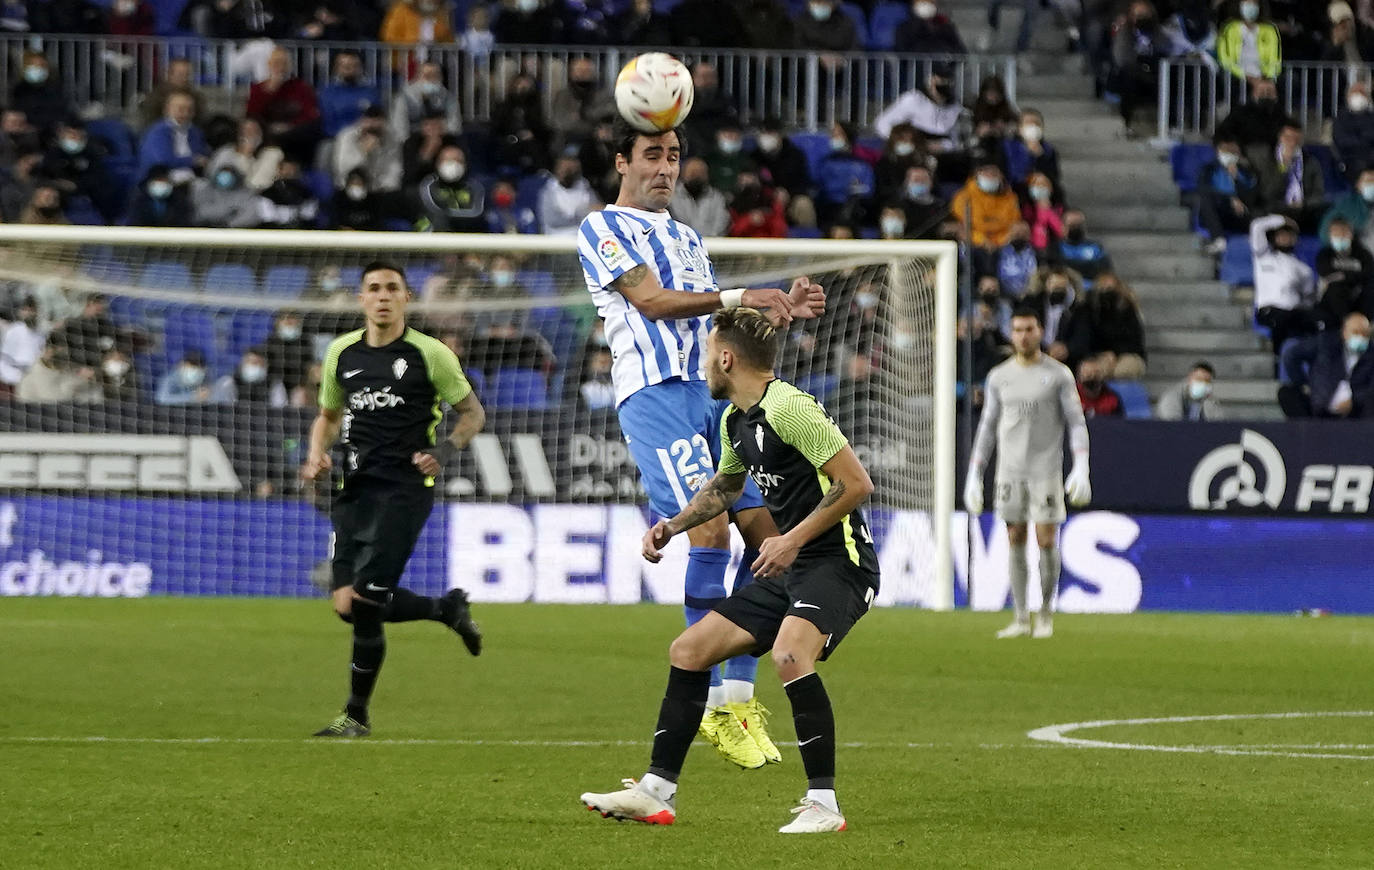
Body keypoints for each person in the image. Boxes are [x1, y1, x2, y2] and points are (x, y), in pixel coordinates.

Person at [576, 121, 826, 770]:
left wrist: (773, 314)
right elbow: (654, 303)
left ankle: (734, 700)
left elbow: (711, 317)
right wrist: (745, 293)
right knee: (709, 529)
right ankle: (711, 695)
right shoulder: (602, 227)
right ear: (622, 162)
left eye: (675, 156)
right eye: (652, 155)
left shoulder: (687, 237)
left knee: (769, 538)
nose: (665, 167)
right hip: (655, 394)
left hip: (711, 396)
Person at [580, 306, 877, 834]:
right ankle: (655, 793)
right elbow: (726, 488)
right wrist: (672, 526)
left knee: (789, 653)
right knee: (689, 650)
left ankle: (824, 806)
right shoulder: (733, 419)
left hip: (840, 562)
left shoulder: (790, 408)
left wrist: (789, 540)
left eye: (706, 354)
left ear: (725, 357)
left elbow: (855, 484)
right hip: (791, 564)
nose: (703, 365)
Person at [301, 261, 486, 738]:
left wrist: (443, 451)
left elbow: (472, 414)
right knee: (345, 603)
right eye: (373, 289)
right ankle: (445, 609)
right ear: (361, 299)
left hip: (404, 492)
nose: (383, 296)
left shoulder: (431, 354)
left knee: (365, 602)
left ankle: (355, 717)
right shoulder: (341, 353)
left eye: (392, 289)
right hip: (354, 488)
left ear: (407, 299)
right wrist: (315, 455)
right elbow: (327, 415)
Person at [964, 307, 1091, 639]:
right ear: (1011, 332)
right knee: (1014, 538)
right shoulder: (999, 376)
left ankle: (1046, 614)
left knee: (1046, 539)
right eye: (1018, 329)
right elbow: (988, 427)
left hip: (1045, 471)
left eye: (1029, 329)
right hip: (1009, 473)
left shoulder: (1059, 375)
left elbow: (1077, 422)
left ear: (1039, 331)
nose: (1023, 335)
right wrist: (975, 474)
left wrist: (1081, 466)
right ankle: (1021, 617)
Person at [1252, 213, 1319, 355]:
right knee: (1281, 320)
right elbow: (1257, 226)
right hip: (1268, 310)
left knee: (1316, 321)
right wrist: (1283, 220)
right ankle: (1275, 358)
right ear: (1275, 238)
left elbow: (1308, 298)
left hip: (1293, 311)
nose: (1285, 238)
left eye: (1289, 235)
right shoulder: (1263, 256)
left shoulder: (1303, 269)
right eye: (1281, 234)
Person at [1197, 136, 1262, 254]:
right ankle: (1218, 240)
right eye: (1226, 150)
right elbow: (1204, 189)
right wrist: (1230, 199)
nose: (1229, 154)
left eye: (1233, 151)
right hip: (1220, 210)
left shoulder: (1246, 171)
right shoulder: (1209, 170)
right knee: (1206, 199)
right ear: (1218, 151)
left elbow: (1253, 194)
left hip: (1242, 212)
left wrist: (1236, 178)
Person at [1258, 122, 1325, 233]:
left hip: (1303, 210)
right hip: (1276, 209)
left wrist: (1304, 203)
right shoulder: (1267, 159)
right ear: (1280, 137)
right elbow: (1267, 193)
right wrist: (1284, 165)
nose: (1292, 142)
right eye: (1288, 137)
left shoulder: (1311, 162)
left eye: (1296, 138)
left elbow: (1319, 194)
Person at [1307, 312, 1374, 418]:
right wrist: (1323, 401)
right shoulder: (1329, 351)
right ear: (1344, 332)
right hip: (1324, 409)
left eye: (1365, 334)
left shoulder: (1371, 356)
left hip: (1357, 411)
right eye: (1356, 332)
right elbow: (1319, 377)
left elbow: (1370, 389)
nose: (1360, 337)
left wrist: (1353, 401)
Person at [136, 89, 209, 184]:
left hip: (192, 178)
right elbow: (162, 160)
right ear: (167, 110)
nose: (185, 114)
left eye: (189, 110)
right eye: (181, 109)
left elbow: (203, 154)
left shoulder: (195, 131)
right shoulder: (158, 131)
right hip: (161, 179)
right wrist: (193, 160)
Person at [416, 142, 487, 233]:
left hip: (468, 237)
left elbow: (477, 213)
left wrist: (449, 215)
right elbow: (434, 212)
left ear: (465, 165)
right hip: (436, 236)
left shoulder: (475, 187)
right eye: (447, 160)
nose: (452, 164)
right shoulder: (428, 185)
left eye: (457, 160)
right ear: (438, 164)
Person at [1317, 218, 1374, 327]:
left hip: (1359, 297)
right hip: (1332, 303)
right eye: (1337, 233)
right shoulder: (1324, 255)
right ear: (1330, 236)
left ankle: (1363, 325)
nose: (1341, 236)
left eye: (1344, 232)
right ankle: (1345, 324)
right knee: (1336, 288)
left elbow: (1369, 274)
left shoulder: (1363, 254)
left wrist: (1343, 275)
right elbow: (1326, 273)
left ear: (1351, 234)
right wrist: (1354, 275)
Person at [317, 50, 381, 139]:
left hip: (366, 139)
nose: (350, 69)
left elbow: (376, 119)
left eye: (355, 65)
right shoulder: (328, 92)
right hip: (335, 139)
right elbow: (328, 124)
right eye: (345, 66)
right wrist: (349, 135)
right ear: (336, 68)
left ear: (361, 67)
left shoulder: (370, 91)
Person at [1217, 1, 1282, 83]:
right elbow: (1224, 59)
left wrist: (1267, 78)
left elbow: (1275, 59)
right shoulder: (1229, 29)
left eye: (1254, 3)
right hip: (1237, 78)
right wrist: (1246, 77)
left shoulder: (1270, 30)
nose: (1250, 6)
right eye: (1247, 3)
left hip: (1263, 77)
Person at [538, 153, 598, 236]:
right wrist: (582, 214)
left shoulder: (585, 188)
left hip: (581, 236)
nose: (566, 173)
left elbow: (597, 210)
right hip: (556, 237)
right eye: (563, 169)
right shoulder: (548, 191)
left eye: (570, 170)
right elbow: (553, 220)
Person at [668, 156, 729, 237]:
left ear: (706, 175)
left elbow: (721, 223)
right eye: (692, 173)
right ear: (683, 173)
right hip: (679, 243)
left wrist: (704, 242)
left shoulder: (717, 198)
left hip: (711, 244)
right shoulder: (671, 197)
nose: (696, 176)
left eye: (700, 173)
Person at [0, 297, 46, 392]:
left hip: (33, 380)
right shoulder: (13, 330)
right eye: (26, 310)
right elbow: (5, 360)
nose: (29, 313)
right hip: (10, 381)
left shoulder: (42, 333)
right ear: (21, 312)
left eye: (32, 310)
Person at [1333, 81, 1374, 182]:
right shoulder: (1340, 118)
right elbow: (1342, 141)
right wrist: (1364, 139)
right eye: (1355, 92)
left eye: (1362, 93)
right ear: (1348, 96)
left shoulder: (1372, 118)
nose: (1359, 96)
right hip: (1349, 163)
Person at [1156, 361, 1226, 420]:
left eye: (1207, 381)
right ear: (1189, 378)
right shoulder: (1171, 397)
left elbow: (1218, 424)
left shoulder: (1210, 400)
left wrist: (1209, 405)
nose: (1203, 384)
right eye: (1199, 379)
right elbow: (1171, 426)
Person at [1057, 210, 1113, 281]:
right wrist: (1088, 265)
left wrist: (1071, 265)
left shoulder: (1095, 247)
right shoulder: (1055, 248)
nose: (1075, 228)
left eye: (1078, 225)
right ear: (1063, 227)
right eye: (1072, 225)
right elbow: (1058, 268)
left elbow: (1104, 269)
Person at [896, 0, 967, 53]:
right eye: (921, 2)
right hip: (916, 70)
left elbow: (960, 51)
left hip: (943, 70)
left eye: (929, 2)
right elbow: (903, 51)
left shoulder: (945, 25)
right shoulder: (905, 27)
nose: (925, 5)